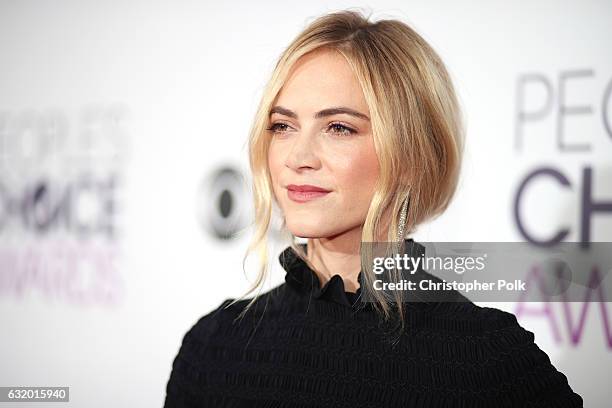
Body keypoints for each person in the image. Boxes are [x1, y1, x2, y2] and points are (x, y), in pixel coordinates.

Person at [164, 9, 583, 407]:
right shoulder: (214, 347)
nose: (298, 156)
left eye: (339, 128)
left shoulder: (484, 356)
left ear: (409, 153)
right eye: (283, 126)